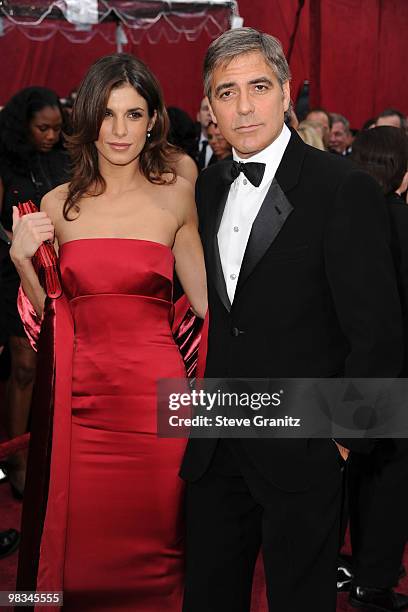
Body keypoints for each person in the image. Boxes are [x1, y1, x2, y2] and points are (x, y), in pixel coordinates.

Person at [180, 27, 403, 612]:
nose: (244, 106)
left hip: (306, 448)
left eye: (258, 87)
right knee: (207, 595)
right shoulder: (207, 188)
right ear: (210, 105)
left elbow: (378, 334)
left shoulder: (342, 187)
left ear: (285, 94)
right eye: (226, 93)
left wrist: (347, 443)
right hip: (217, 440)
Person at [11, 53, 207, 611]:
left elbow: (210, 308)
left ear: (153, 121)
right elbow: (45, 325)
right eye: (107, 114)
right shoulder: (53, 206)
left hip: (156, 408)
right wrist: (24, 262)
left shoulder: (178, 196)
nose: (119, 131)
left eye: (134, 114)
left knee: (160, 549)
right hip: (78, 410)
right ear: (87, 118)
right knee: (78, 560)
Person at [345, 126, 408, 612]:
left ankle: (349, 562)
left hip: (344, 368)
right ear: (404, 177)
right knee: (390, 478)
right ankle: (375, 578)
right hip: (399, 375)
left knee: (350, 471)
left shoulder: (341, 222)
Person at [0, 86, 69, 498]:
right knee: (24, 366)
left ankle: (52, 448)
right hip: (15, 270)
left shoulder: (66, 157)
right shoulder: (6, 163)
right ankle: (17, 458)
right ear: (24, 126)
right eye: (43, 128)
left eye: (57, 129)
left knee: (56, 364)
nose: (50, 135)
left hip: (61, 270)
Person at [195, 96, 213, 170]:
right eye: (206, 109)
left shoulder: (227, 147)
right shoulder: (188, 142)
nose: (209, 113)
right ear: (198, 116)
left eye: (213, 109)